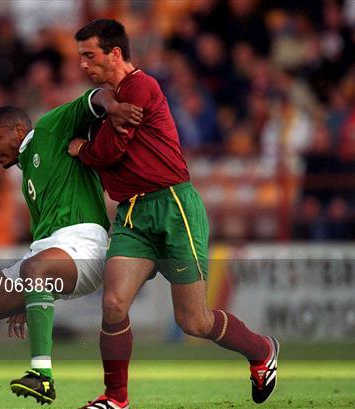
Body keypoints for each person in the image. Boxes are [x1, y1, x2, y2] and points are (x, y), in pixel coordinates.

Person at [68, 19, 279, 409]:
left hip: (173, 206)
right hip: (132, 213)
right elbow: (109, 145)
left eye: (89, 55)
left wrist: (83, 148)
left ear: (115, 53)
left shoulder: (141, 86)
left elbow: (110, 152)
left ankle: (262, 350)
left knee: (194, 322)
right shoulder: (111, 98)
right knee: (114, 304)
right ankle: (115, 399)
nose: (82, 64)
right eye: (80, 56)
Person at [0, 88, 143, 409]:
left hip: (84, 245)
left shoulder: (50, 129)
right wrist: (31, 299)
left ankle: (43, 376)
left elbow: (95, 97)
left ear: (20, 131)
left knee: (34, 269)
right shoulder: (28, 175)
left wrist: (114, 106)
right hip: (47, 255)